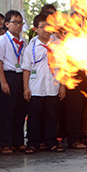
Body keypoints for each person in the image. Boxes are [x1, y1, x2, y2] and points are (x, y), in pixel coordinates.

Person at [22, 14, 66, 153]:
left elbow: (64, 67)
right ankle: (33, 143)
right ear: (35, 29)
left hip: (53, 86)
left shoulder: (57, 44)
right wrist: (25, 88)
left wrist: (63, 86)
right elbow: (26, 69)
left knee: (52, 116)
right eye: (42, 27)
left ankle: (51, 142)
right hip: (36, 87)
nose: (46, 30)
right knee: (34, 117)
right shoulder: (31, 46)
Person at [0, 10, 28, 154]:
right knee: (6, 111)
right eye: (15, 22)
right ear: (7, 24)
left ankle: (18, 141)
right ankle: (5, 143)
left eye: (21, 23)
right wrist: (3, 82)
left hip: (20, 76)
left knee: (20, 111)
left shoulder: (24, 42)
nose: (19, 26)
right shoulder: (2, 40)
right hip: (7, 76)